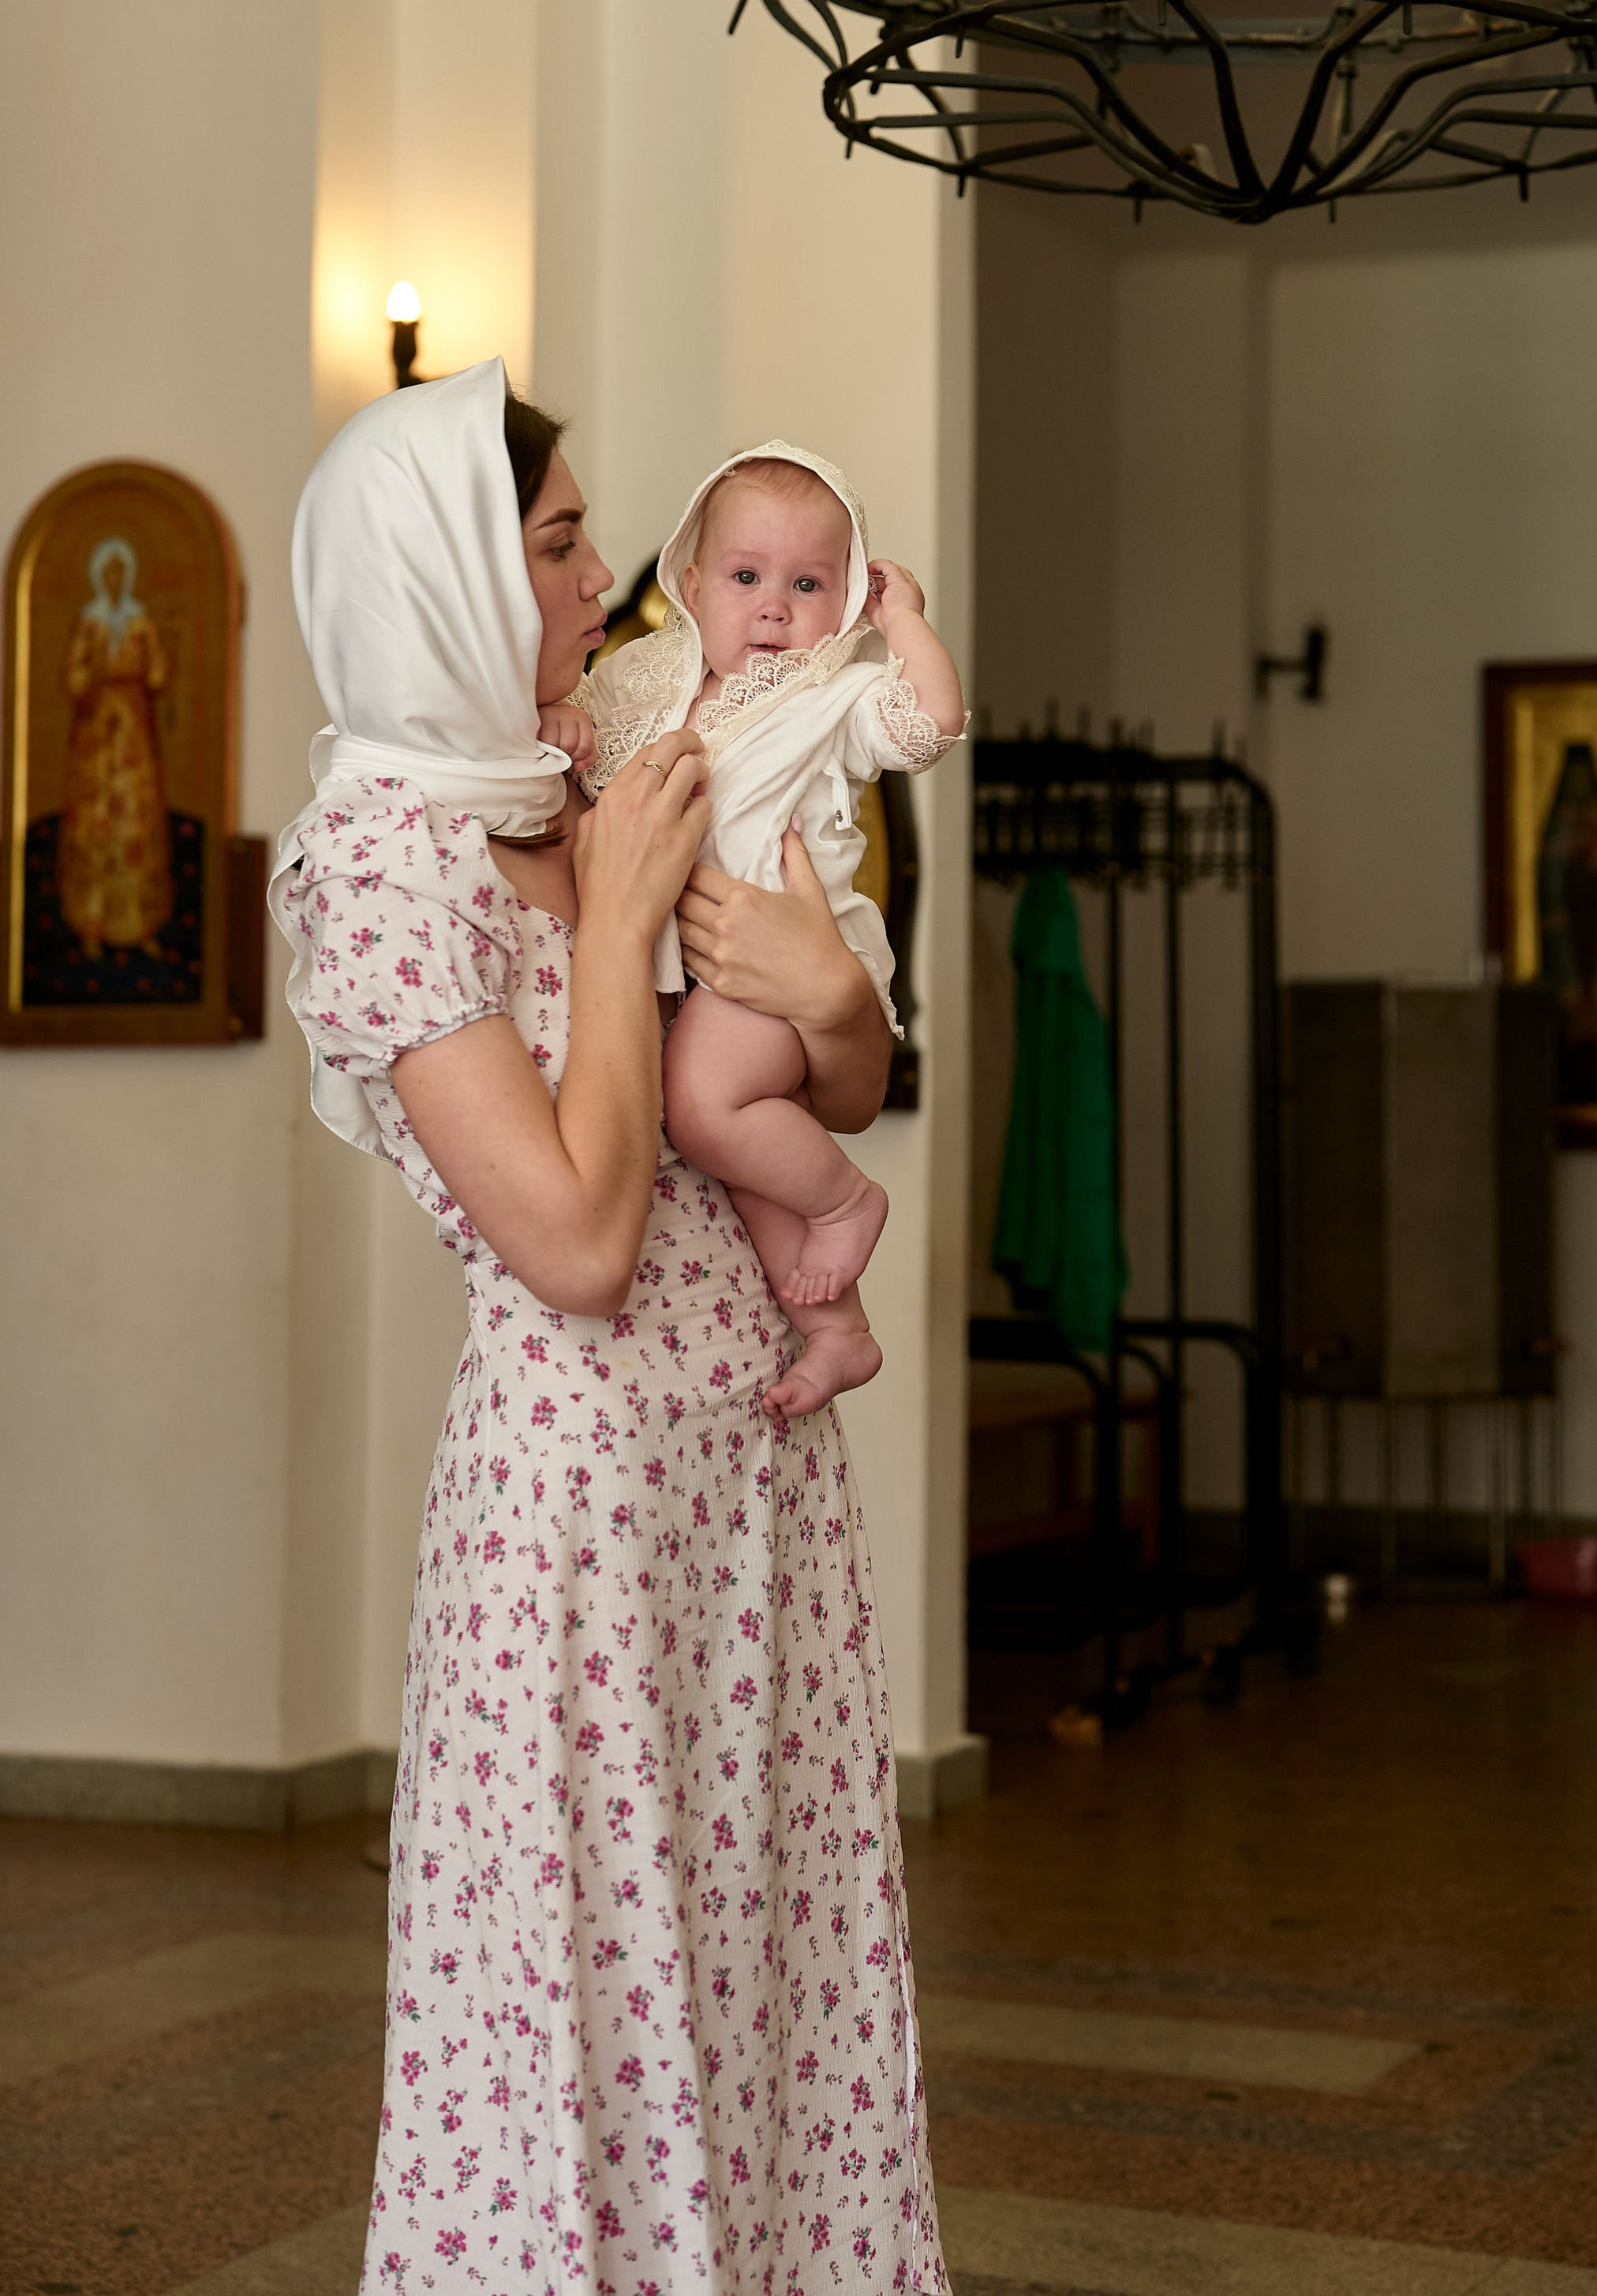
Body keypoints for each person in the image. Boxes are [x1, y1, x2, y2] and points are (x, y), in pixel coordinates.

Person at [268, 358, 947, 2296]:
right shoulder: (383, 855)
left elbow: (839, 1087)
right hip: (572, 1507)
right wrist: (605, 924)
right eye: (559, 541)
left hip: (748, 1458)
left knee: (756, 1974)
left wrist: (827, 988)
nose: (598, 582)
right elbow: (571, 1238)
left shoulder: (600, 760)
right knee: (579, 2004)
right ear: (455, 571)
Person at [559, 446, 963, 1419]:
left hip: (785, 957)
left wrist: (901, 622)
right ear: (691, 586)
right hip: (718, 972)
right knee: (730, 1162)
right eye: (746, 578)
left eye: (809, 584)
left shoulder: (832, 694)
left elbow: (932, 724)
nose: (775, 607)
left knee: (699, 1106)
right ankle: (835, 1329)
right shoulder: (647, 686)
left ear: (847, 599)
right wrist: (563, 729)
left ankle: (844, 1202)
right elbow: (584, 754)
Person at [58, 536, 174, 955]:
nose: (113, 579)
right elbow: (73, 678)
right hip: (95, 738)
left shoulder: (141, 622)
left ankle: (140, 925)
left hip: (133, 733)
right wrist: (90, 671)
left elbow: (159, 674)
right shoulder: (88, 622)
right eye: (107, 572)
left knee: (135, 819)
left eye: (120, 572)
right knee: (97, 820)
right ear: (97, 576)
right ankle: (92, 923)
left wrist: (158, 658)